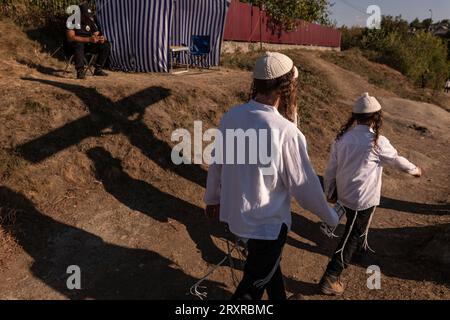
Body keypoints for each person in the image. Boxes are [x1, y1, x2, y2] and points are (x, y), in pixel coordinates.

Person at [204, 52, 339, 300]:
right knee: (250, 290)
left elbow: (217, 164)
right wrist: (330, 216)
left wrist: (212, 198)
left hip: (239, 217)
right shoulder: (285, 132)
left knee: (266, 268)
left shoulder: (231, 117)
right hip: (267, 226)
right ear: (286, 87)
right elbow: (304, 186)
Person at [320, 92, 422, 296]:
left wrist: (329, 190)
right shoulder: (377, 141)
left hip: (344, 194)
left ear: (355, 116)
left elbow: (331, 168)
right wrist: (414, 170)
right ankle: (331, 277)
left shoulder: (342, 138)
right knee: (351, 234)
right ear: (377, 117)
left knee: (356, 228)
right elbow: (397, 160)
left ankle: (358, 252)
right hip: (362, 199)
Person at [65, 2, 111, 79]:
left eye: (88, 15)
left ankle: (98, 69)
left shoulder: (89, 21)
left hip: (87, 45)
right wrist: (89, 39)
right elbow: (71, 37)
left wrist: (101, 38)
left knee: (105, 45)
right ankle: (80, 71)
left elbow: (97, 33)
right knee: (78, 44)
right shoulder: (71, 20)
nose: (88, 17)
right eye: (85, 15)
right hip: (72, 47)